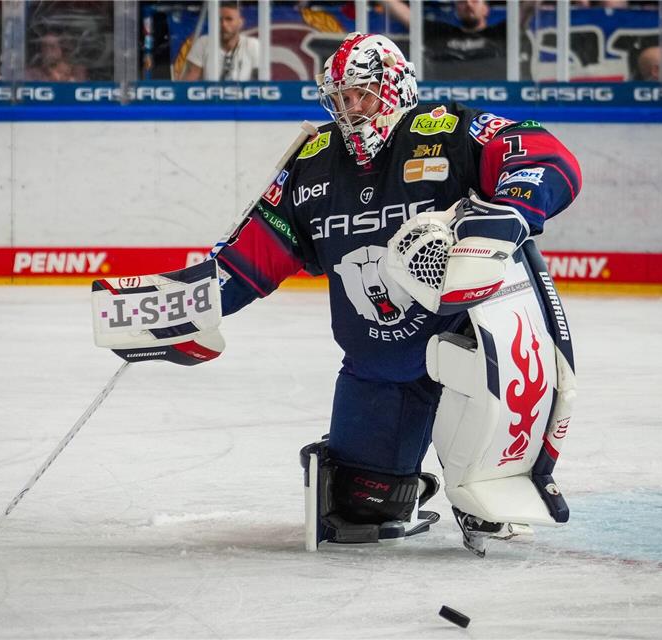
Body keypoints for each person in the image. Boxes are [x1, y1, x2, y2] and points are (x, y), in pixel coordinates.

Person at [149, 33, 579, 556]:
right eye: (341, 99)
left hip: (472, 344)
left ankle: (483, 483)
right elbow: (249, 258)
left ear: (394, 88)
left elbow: (544, 153)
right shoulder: (313, 160)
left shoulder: (445, 131)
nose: (351, 110)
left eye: (362, 95)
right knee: (358, 511)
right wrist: (180, 305)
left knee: (492, 499)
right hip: (379, 362)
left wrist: (514, 207)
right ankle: (409, 482)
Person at [381, 0, 536, 80]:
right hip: (449, 104)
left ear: (486, 9)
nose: (468, 4)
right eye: (462, 1)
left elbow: (528, 7)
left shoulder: (503, 32)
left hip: (498, 103)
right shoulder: (441, 33)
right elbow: (407, 16)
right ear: (456, 9)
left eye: (475, 1)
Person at [182, 1, 260, 81]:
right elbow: (189, 80)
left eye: (229, 19)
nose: (223, 24)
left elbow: (261, 83)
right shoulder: (203, 43)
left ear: (240, 23)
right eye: (219, 19)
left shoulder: (253, 45)